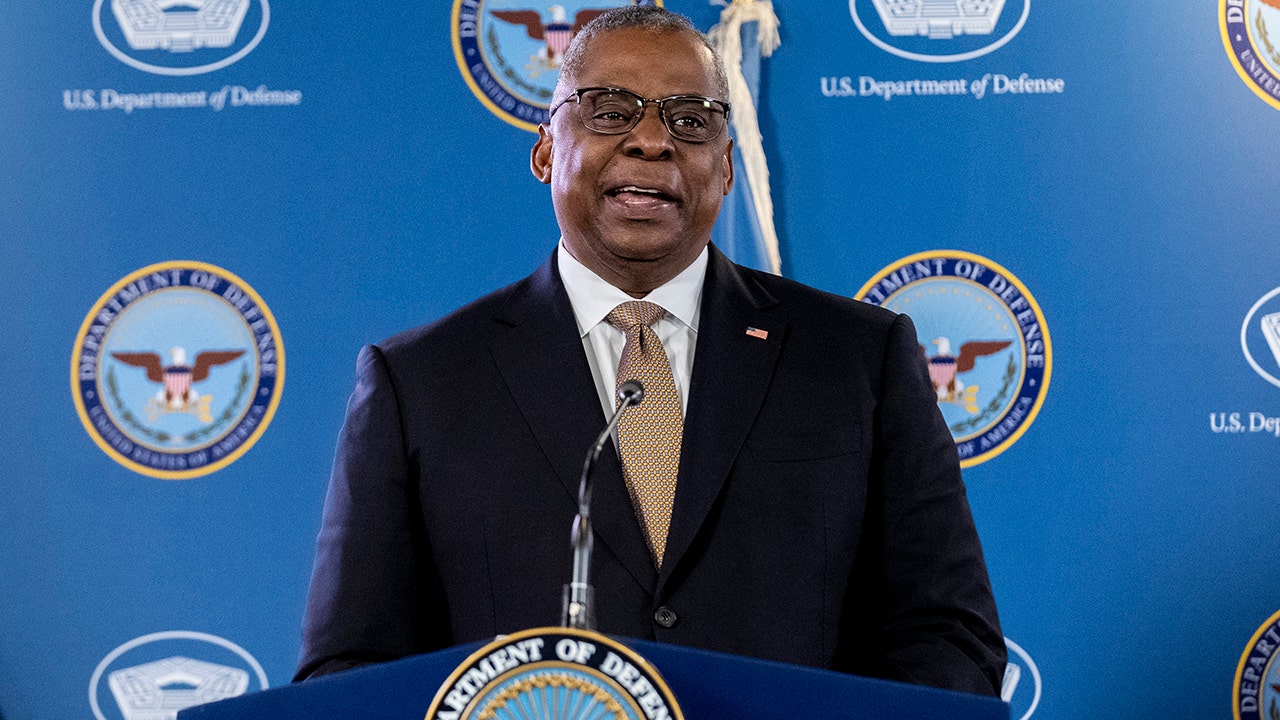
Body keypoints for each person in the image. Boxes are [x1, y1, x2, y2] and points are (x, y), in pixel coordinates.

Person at [296, 6, 1006, 696]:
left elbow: (949, 636)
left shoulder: (860, 359)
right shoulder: (421, 384)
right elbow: (351, 670)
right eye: (610, 111)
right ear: (546, 151)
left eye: (689, 120)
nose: (651, 141)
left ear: (725, 167)